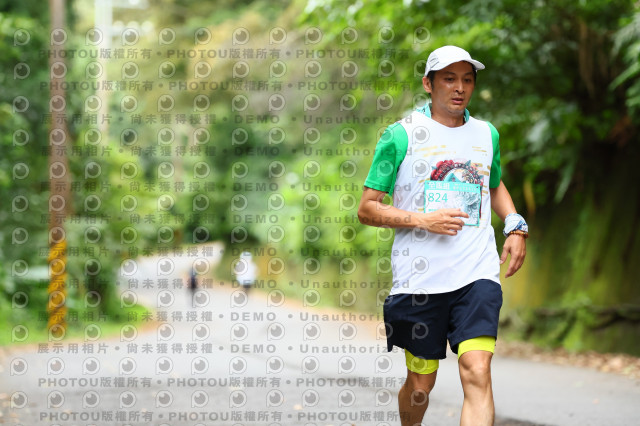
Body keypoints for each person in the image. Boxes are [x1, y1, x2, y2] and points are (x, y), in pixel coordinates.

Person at [357, 45, 528, 426]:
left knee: (477, 370)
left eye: (467, 79)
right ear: (428, 84)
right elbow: (367, 208)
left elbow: (493, 185)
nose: (459, 87)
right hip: (420, 279)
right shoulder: (400, 136)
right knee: (421, 386)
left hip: (476, 273)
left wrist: (515, 224)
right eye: (449, 79)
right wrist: (423, 220)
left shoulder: (486, 134)